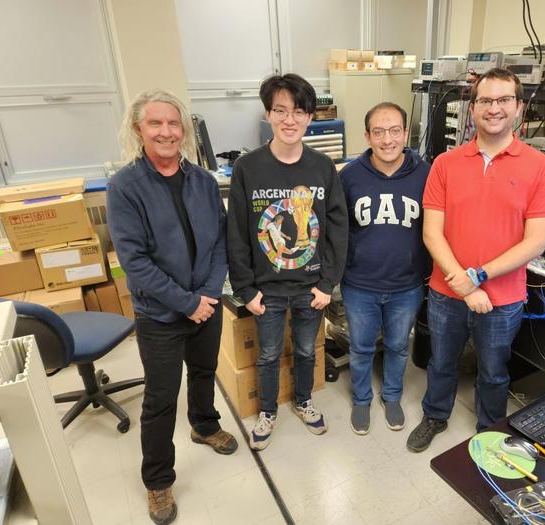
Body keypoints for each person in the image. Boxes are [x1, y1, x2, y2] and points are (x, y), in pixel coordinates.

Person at [407, 68, 545, 452]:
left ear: (519, 107)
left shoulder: (541, 167)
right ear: (472, 109)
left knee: (493, 372)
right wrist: (461, 280)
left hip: (503, 298)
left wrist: (476, 276)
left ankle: (490, 430)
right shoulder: (445, 163)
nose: (494, 108)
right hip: (447, 291)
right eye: (486, 101)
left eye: (504, 99)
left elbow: (535, 242)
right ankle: (435, 415)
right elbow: (432, 232)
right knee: (441, 362)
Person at [107, 88, 236, 525]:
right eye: (155, 123)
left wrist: (208, 295)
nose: (166, 131)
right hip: (160, 314)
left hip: (206, 303)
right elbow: (134, 263)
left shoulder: (202, 180)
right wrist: (187, 303)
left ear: (184, 130)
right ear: (138, 130)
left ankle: (203, 424)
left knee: (203, 373)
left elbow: (220, 242)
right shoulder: (125, 187)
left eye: (173, 123)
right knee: (160, 398)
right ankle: (158, 481)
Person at [227, 73, 348, 451]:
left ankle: (304, 401)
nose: (290, 120)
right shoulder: (248, 168)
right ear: (268, 115)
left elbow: (337, 228)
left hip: (311, 286)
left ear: (311, 117)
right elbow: (237, 233)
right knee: (266, 353)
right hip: (266, 289)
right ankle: (267, 411)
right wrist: (246, 289)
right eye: (280, 111)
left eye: (298, 111)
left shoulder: (322, 167)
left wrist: (327, 283)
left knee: (306, 349)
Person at [339, 102, 430, 435]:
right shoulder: (349, 176)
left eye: (395, 131)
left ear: (405, 133)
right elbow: (337, 230)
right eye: (379, 132)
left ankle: (392, 396)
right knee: (361, 348)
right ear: (367, 136)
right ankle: (361, 400)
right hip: (359, 284)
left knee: (398, 345)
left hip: (407, 285)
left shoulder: (425, 174)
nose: (387, 139)